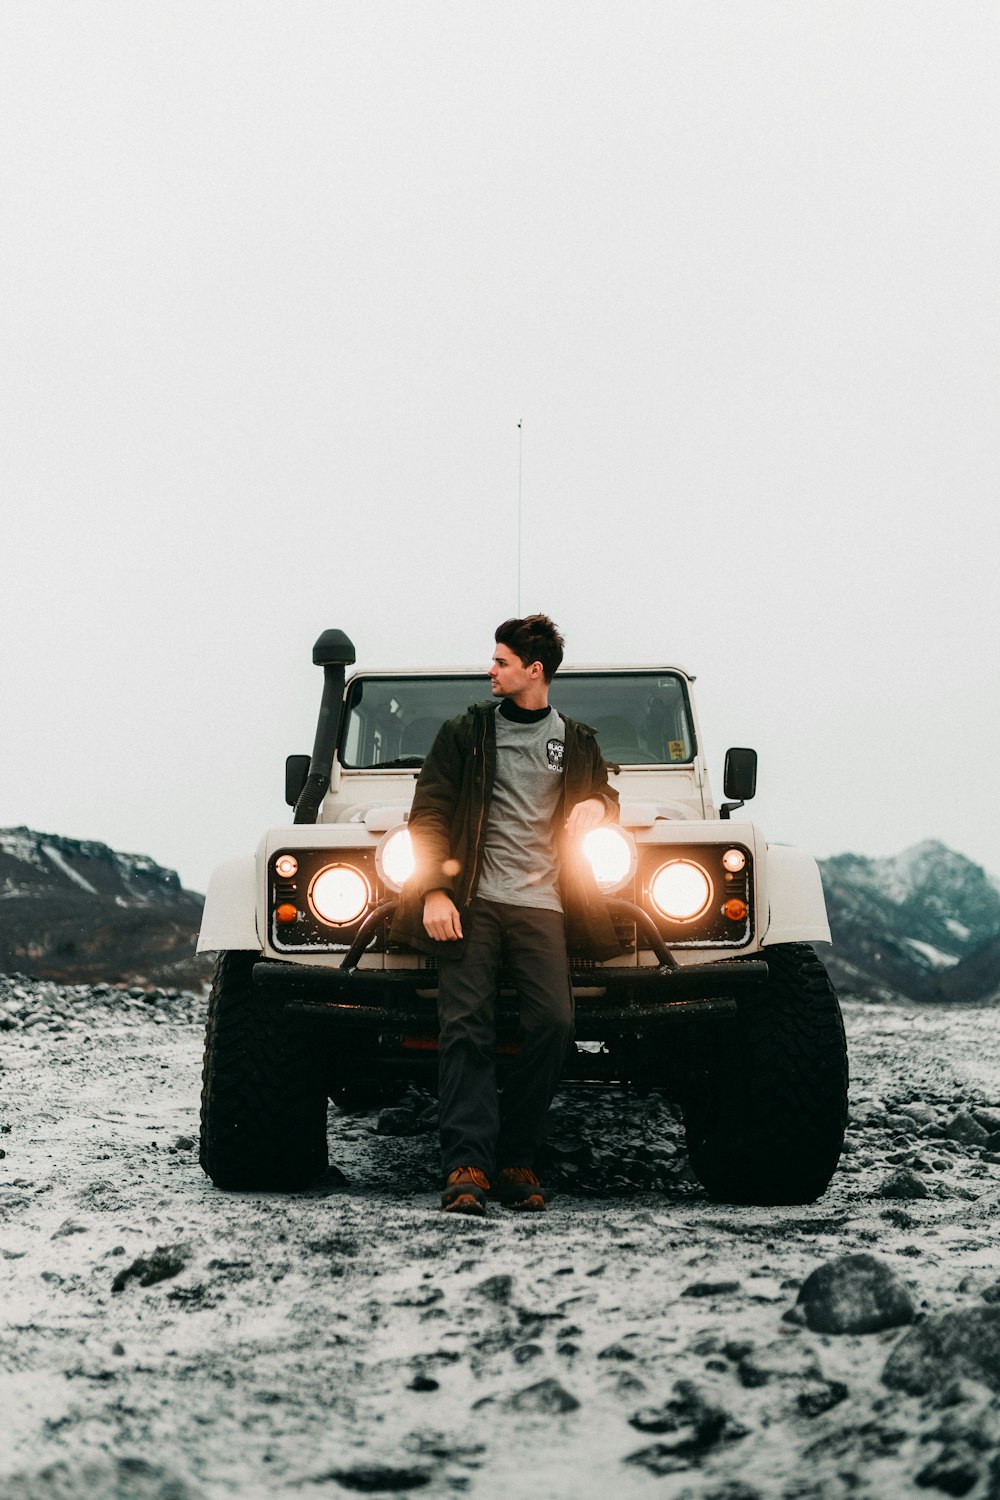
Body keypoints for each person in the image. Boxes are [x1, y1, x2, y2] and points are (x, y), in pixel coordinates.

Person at [390, 615, 622, 1215]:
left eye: (500, 662)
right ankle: (467, 1166)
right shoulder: (464, 733)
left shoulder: (576, 740)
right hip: (472, 901)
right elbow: (431, 815)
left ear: (534, 670)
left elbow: (605, 796)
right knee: (466, 1027)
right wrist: (434, 895)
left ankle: (517, 1157)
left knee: (554, 1025)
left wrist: (596, 807)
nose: (490, 670)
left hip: (544, 903)